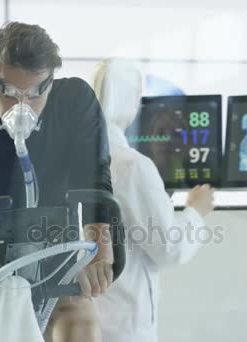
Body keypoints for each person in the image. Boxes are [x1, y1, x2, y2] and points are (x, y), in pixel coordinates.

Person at [0, 22, 113, 341]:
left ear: (51, 82)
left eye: (36, 92)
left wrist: (101, 255)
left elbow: (97, 187)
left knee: (81, 318)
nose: (23, 107)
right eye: (10, 94)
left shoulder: (74, 101)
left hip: (55, 276)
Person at [91, 59, 215, 342]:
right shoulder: (132, 166)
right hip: (125, 326)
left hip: (82, 322)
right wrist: (196, 210)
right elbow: (169, 247)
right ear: (132, 102)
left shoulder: (76, 158)